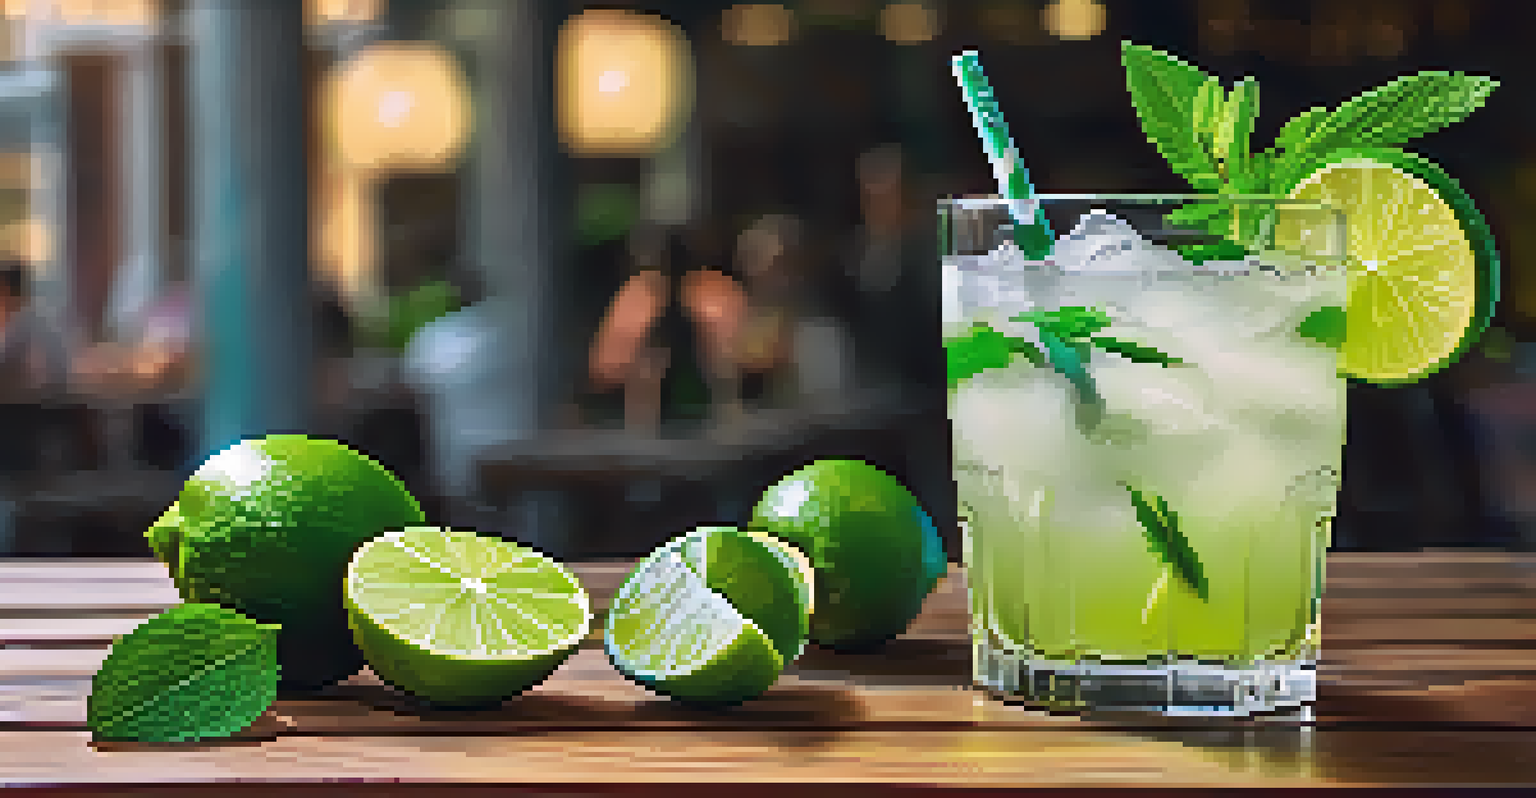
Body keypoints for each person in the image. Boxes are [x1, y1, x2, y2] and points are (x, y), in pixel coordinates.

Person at [587, 222, 748, 433]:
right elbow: (606, 370)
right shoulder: (640, 296)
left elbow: (734, 362)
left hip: (705, 415)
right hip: (643, 418)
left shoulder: (713, 295)